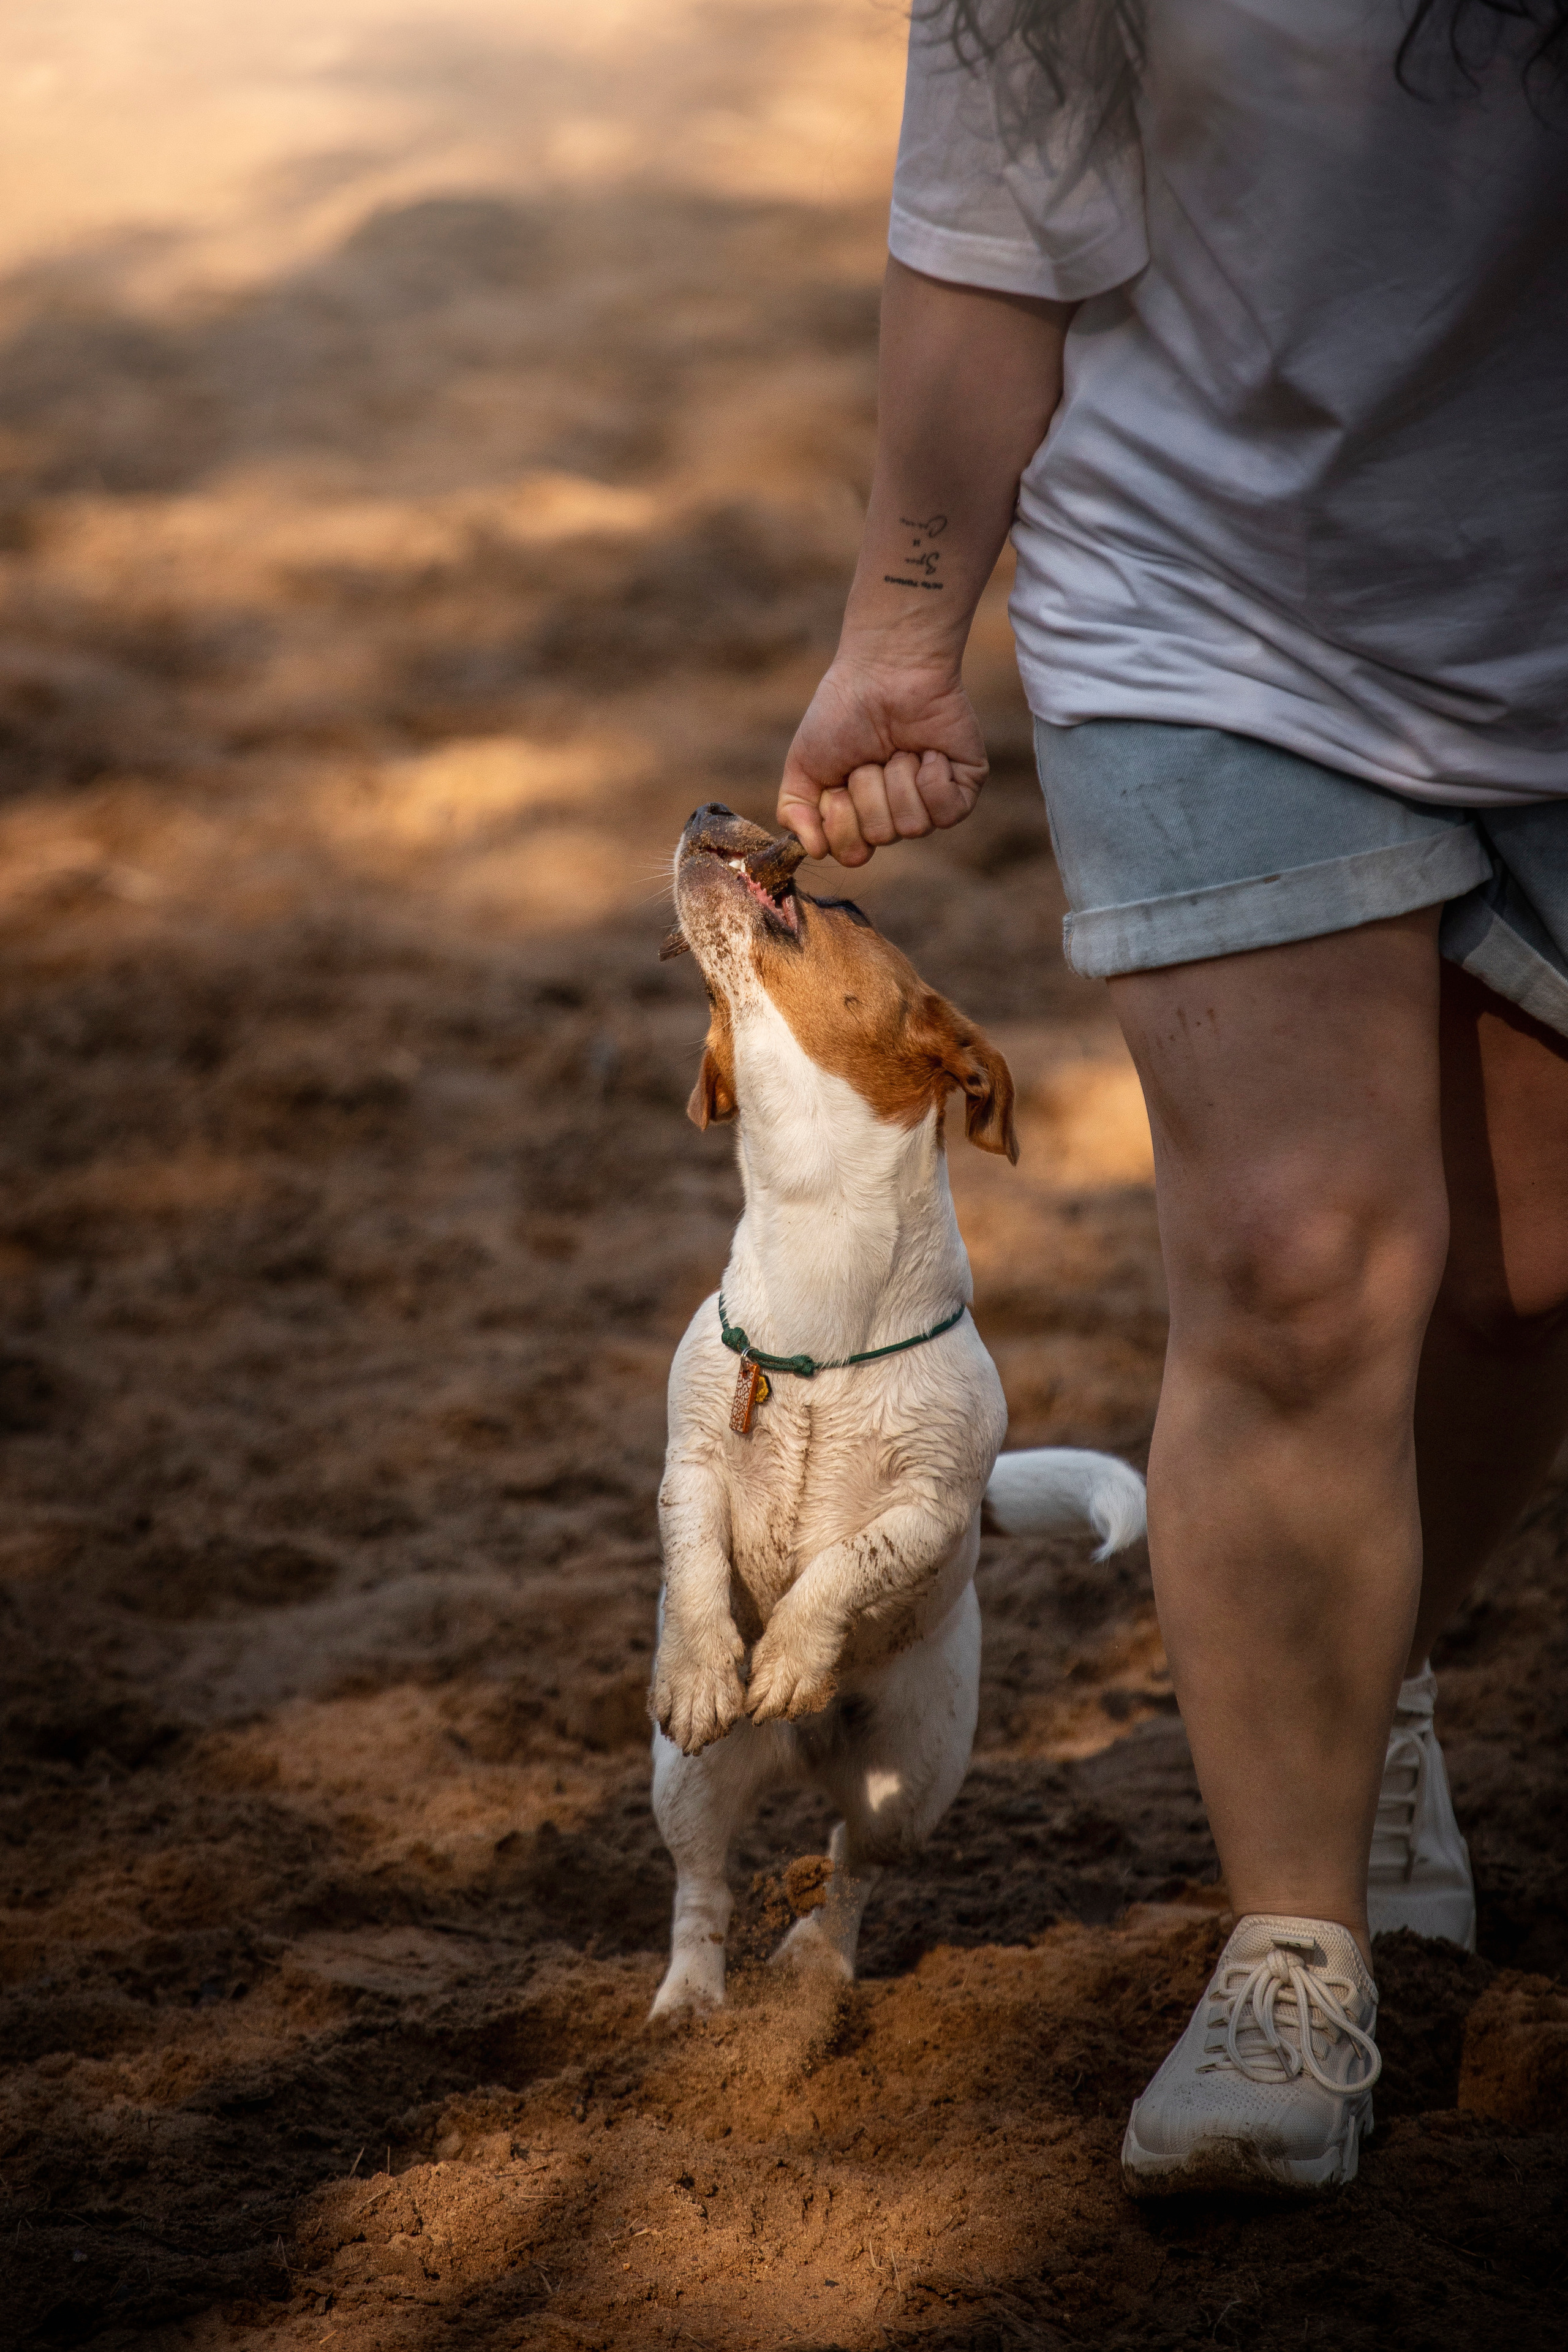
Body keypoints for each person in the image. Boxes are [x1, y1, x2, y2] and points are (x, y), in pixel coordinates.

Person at [776, 0, 1568, 2194]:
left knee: (1525, 1287)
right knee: (1301, 1266)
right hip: (1209, 605)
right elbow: (986, 239)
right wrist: (903, 630)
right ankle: (1293, 1955)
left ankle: (1362, 1661)